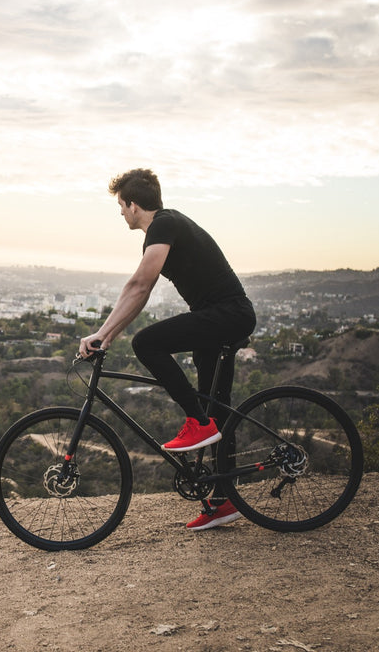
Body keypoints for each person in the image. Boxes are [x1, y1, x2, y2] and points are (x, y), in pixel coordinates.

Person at [78, 168, 256, 531]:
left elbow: (140, 286)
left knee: (147, 342)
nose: (120, 213)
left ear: (133, 204)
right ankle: (224, 501)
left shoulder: (162, 225)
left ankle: (197, 423)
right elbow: (140, 291)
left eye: (121, 206)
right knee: (215, 405)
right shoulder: (167, 226)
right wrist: (108, 335)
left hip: (226, 315)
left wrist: (103, 334)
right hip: (224, 316)